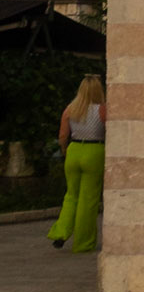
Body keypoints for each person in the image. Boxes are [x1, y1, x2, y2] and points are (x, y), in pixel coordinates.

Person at [48, 74, 106, 254]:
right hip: (94, 151)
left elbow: (63, 135)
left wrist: (66, 152)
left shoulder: (70, 109)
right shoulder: (102, 110)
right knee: (88, 199)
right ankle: (83, 242)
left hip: (73, 150)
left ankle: (61, 232)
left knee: (71, 195)